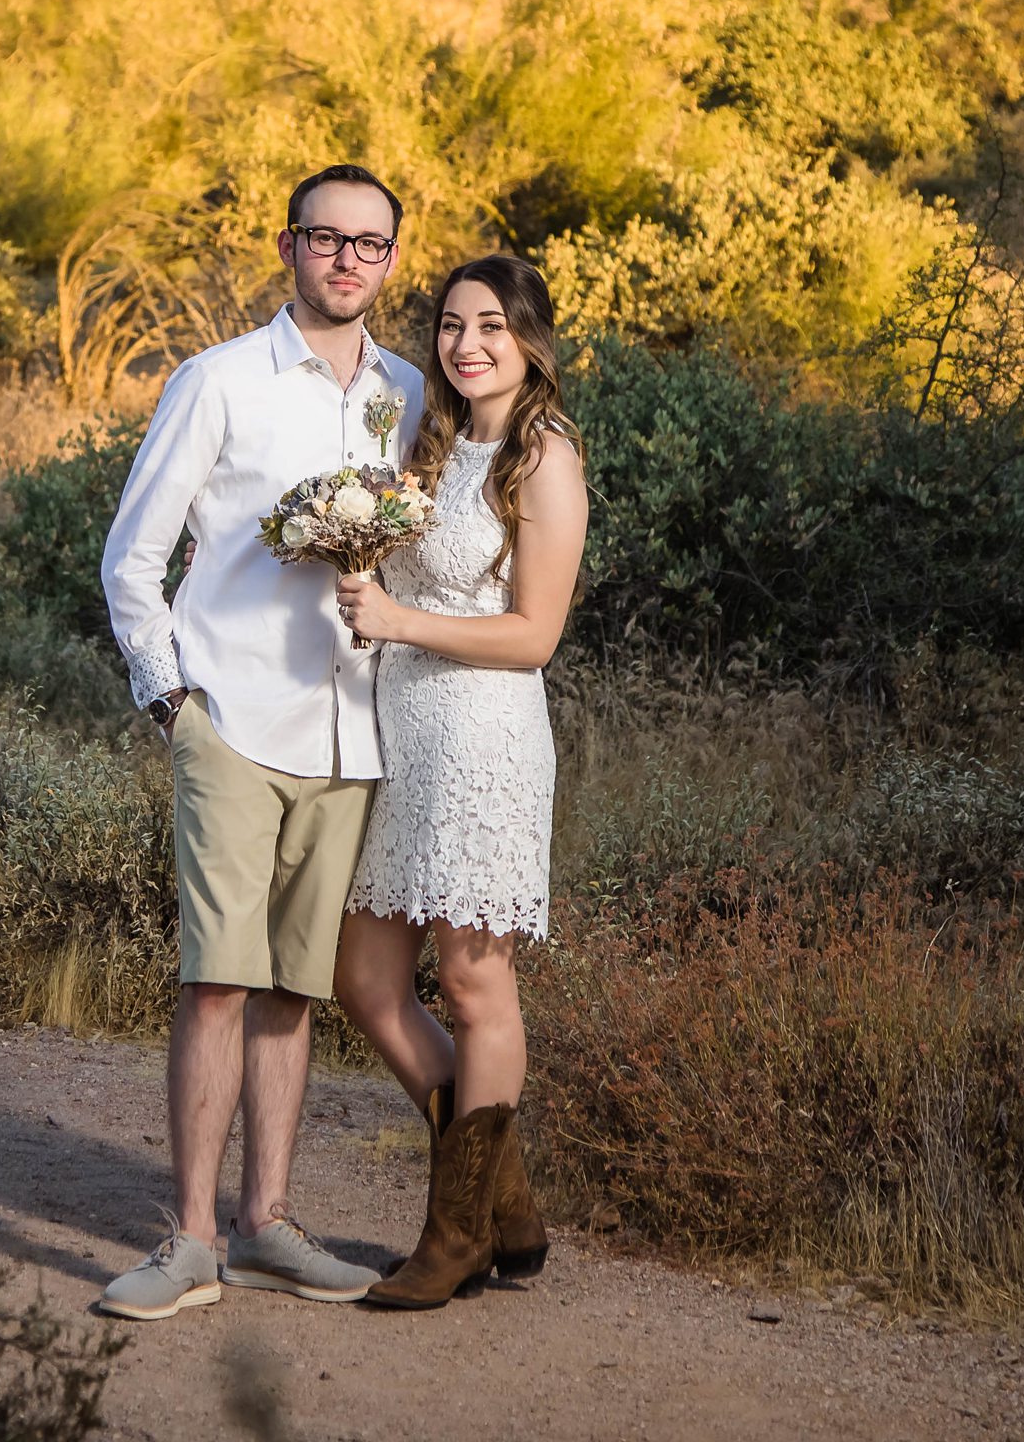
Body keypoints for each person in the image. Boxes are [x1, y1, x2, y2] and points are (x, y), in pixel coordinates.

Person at [92, 164, 425, 1322]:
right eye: (326, 238)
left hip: (350, 730)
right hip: (229, 720)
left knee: (297, 990)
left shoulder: (408, 392)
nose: (347, 259)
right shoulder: (218, 380)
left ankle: (268, 1224)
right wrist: (170, 704)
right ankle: (187, 1238)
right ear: (288, 247)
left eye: (369, 243)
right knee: (219, 979)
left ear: (392, 258)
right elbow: (132, 557)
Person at [331, 253, 588, 1310]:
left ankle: (452, 1233)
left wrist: (395, 619)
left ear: (529, 338)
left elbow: (535, 634)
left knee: (478, 984)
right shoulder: (431, 444)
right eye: (449, 323)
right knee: (366, 978)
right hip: (406, 740)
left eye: (491, 323)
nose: (466, 341)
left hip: (485, 742)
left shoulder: (542, 458)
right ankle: (503, 1200)